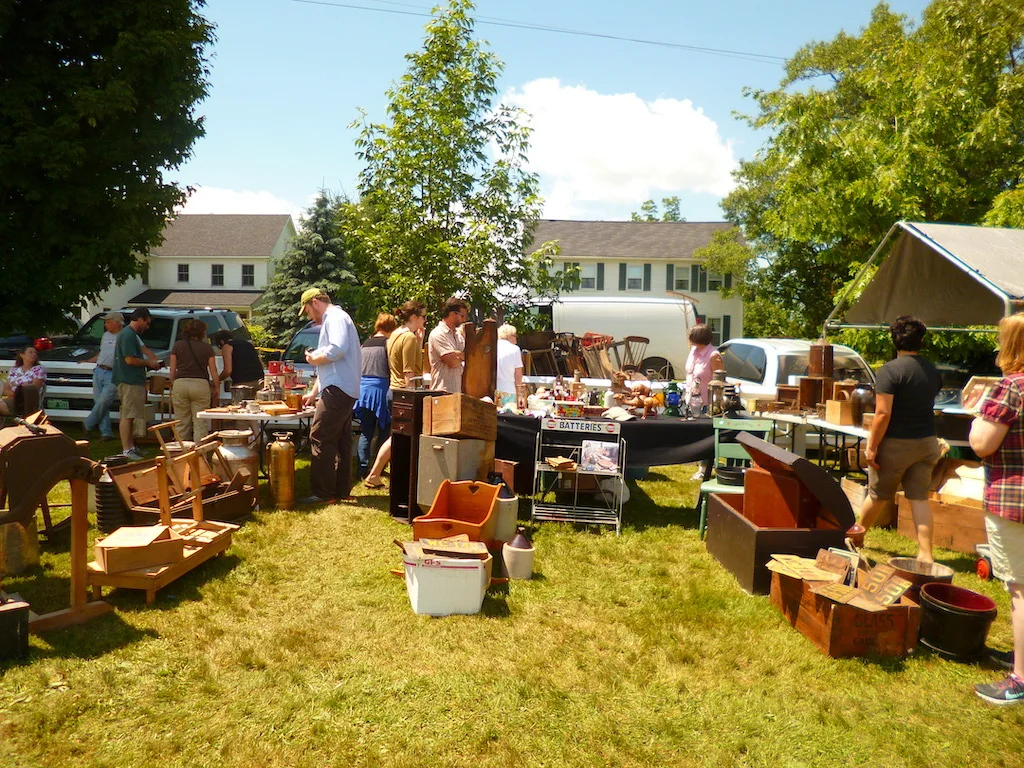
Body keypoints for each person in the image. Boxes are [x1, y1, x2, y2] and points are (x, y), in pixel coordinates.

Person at [969, 312, 1024, 705]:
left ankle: (1019, 678)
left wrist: (977, 418)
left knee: (1020, 588)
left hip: (1014, 500)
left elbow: (982, 444)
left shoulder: (1011, 387)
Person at [857, 316, 942, 562]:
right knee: (919, 498)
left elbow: (883, 413)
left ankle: (855, 538)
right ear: (922, 341)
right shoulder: (932, 371)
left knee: (877, 494)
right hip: (927, 442)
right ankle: (925, 554)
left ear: (894, 340)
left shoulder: (889, 371)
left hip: (896, 444)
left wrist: (871, 447)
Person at [297, 287, 361, 505]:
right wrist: (314, 392)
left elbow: (336, 350)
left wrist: (313, 358)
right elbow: (332, 363)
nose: (308, 316)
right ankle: (341, 490)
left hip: (338, 389)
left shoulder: (334, 318)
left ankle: (323, 494)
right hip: (341, 387)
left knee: (320, 436)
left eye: (307, 310)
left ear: (315, 302)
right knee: (341, 440)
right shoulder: (337, 318)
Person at [364, 300, 427, 489]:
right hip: (405, 391)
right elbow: (409, 371)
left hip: (394, 390)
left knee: (398, 436)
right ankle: (374, 474)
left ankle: (380, 475)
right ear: (414, 317)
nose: (425, 320)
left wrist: (420, 341)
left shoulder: (395, 335)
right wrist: (413, 396)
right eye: (423, 317)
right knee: (398, 437)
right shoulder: (407, 337)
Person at [113, 307, 161, 461]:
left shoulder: (132, 335)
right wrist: (149, 363)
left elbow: (141, 351)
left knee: (132, 415)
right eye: (147, 323)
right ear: (140, 319)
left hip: (134, 380)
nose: (147, 327)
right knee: (127, 415)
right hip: (129, 380)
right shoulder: (127, 335)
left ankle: (132, 446)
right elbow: (129, 360)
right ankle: (126, 450)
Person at [355, 313, 398, 479]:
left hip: (363, 390)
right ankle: (378, 469)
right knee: (383, 431)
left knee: (365, 431)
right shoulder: (389, 344)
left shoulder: (364, 344)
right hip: (381, 390)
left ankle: (362, 468)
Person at [169, 319, 220, 442]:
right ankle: (199, 454)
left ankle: (182, 455)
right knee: (200, 422)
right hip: (200, 384)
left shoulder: (178, 345)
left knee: (181, 422)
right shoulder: (207, 348)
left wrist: (173, 382)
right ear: (202, 332)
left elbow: (172, 369)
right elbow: (213, 370)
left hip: (180, 383)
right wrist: (217, 387)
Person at [685, 323, 724, 480]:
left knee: (705, 437)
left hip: (707, 403)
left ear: (698, 337)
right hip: (691, 400)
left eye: (691, 336)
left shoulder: (714, 355)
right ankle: (697, 464)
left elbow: (720, 381)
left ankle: (704, 469)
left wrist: (717, 405)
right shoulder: (693, 351)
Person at [83, 311, 125, 439]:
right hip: (99, 370)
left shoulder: (124, 336)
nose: (105, 324)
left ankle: (87, 424)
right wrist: (89, 361)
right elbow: (102, 353)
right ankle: (106, 433)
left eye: (107, 322)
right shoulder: (106, 335)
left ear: (116, 323)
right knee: (100, 403)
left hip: (113, 373)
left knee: (103, 401)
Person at [428, 297, 468, 393]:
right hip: (441, 391)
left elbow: (469, 357)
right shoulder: (438, 333)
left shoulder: (458, 335)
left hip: (457, 392)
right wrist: (460, 356)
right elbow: (453, 362)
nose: (464, 320)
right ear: (453, 314)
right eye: (462, 316)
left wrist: (458, 354)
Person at [0, 345, 46, 417]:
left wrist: (16, 396)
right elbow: (5, 389)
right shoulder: (14, 370)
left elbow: (34, 390)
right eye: (30, 352)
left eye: (35, 353)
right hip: (13, 399)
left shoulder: (38, 369)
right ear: (22, 355)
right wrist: (16, 395)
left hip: (27, 403)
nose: (34, 354)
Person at [495, 323, 524, 408]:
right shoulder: (515, 349)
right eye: (515, 336)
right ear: (510, 336)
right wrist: (520, 395)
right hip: (509, 390)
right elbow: (518, 375)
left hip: (493, 390)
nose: (516, 339)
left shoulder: (492, 346)